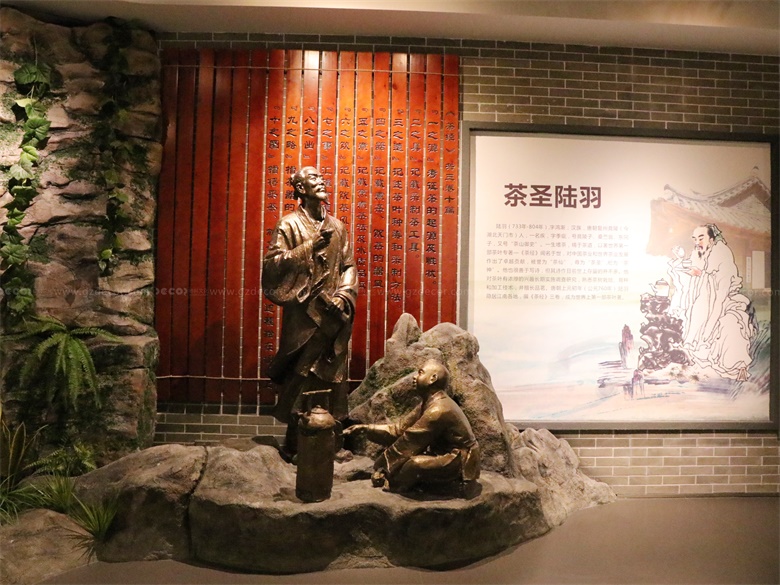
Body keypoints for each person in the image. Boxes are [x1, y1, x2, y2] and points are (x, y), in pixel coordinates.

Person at [262, 166, 358, 458]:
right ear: (300, 189)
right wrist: (308, 247)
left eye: (321, 177)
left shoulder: (337, 227)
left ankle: (333, 445)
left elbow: (349, 266)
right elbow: (272, 266)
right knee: (301, 375)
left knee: (332, 376)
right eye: (314, 178)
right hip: (303, 317)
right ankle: (296, 445)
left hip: (333, 316)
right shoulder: (288, 225)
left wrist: (343, 295)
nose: (321, 181)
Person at [344, 360, 480, 493]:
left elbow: (410, 441)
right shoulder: (428, 403)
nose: (414, 377)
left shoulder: (439, 410)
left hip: (458, 460)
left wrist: (383, 468)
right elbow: (398, 430)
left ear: (432, 379)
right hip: (440, 453)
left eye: (420, 373)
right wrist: (366, 428)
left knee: (413, 465)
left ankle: (397, 485)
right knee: (404, 464)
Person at [682, 224, 755, 381]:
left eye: (701, 238)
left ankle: (737, 368)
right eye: (695, 239)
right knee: (695, 319)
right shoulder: (701, 253)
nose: (697, 242)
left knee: (730, 324)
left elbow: (721, 296)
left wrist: (709, 329)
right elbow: (700, 271)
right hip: (706, 300)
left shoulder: (721, 254)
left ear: (711, 238)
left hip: (726, 300)